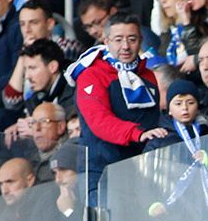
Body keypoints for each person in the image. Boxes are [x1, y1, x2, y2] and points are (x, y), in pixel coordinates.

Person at [67, 14, 165, 196]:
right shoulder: (92, 75)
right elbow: (99, 121)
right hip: (101, 172)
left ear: (141, 41)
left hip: (140, 172)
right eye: (118, 40)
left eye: (132, 39)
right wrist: (138, 133)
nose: (125, 47)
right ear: (106, 41)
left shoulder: (148, 76)